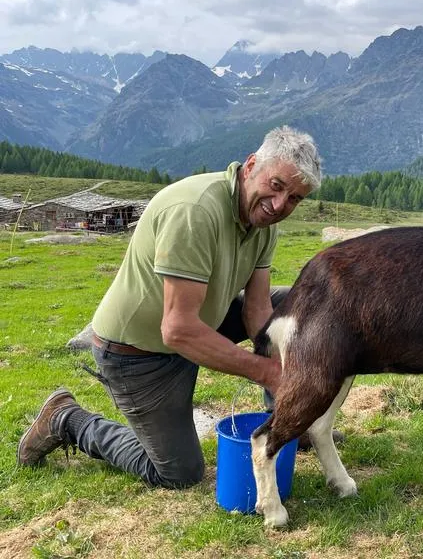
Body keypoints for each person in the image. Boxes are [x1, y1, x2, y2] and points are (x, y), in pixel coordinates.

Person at [18, 125, 324, 488]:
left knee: (292, 303)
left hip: (198, 322)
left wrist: (282, 379)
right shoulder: (194, 211)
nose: (279, 206)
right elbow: (177, 329)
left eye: (294, 198)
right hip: (139, 353)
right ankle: (66, 419)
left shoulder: (264, 225)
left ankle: (286, 422)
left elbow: (257, 311)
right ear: (251, 165)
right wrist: (269, 373)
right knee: (179, 473)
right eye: (276, 186)